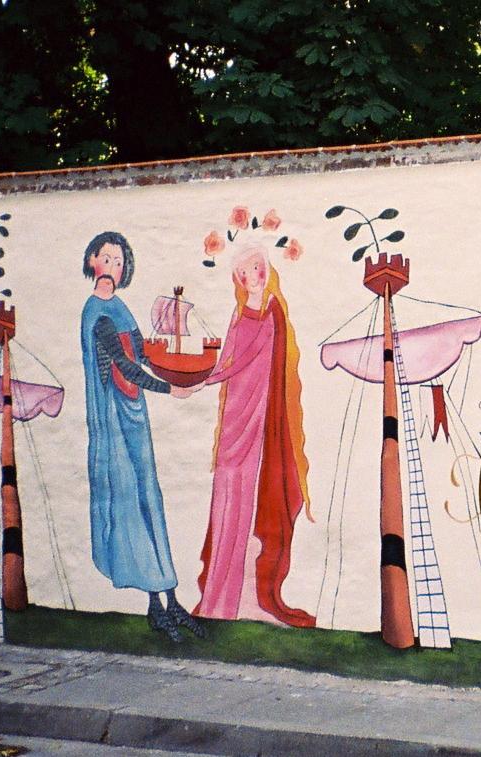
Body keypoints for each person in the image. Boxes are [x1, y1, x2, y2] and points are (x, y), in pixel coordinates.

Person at [78, 231, 204, 642]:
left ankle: (171, 600)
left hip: (136, 413)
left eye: (119, 261)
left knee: (151, 499)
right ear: (92, 261)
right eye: (106, 258)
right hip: (114, 418)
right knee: (132, 505)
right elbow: (124, 366)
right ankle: (155, 604)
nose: (112, 267)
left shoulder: (121, 307)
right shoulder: (96, 314)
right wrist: (171, 389)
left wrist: (184, 366)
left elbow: (145, 354)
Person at [192, 246, 316, 627]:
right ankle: (218, 596)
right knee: (227, 496)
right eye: (246, 271)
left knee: (247, 496)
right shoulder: (239, 313)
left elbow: (249, 358)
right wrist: (202, 377)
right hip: (235, 416)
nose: (255, 275)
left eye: (258, 267)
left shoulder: (273, 311)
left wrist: (207, 378)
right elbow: (228, 357)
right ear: (239, 279)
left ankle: (242, 595)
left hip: (260, 413)